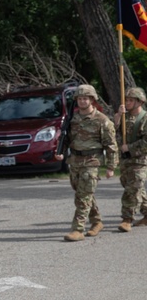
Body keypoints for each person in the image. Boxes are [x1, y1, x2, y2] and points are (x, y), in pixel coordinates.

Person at [55, 84, 117, 241]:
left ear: (92, 100)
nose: (82, 101)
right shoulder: (72, 119)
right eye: (80, 98)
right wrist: (60, 152)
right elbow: (67, 139)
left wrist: (111, 166)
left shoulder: (102, 120)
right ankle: (96, 222)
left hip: (92, 161)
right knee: (82, 194)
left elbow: (111, 145)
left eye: (85, 98)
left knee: (83, 196)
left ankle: (78, 229)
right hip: (75, 161)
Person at [114, 86, 147, 232]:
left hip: (140, 160)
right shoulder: (124, 116)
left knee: (132, 190)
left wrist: (130, 147)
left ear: (139, 102)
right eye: (126, 100)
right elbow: (113, 132)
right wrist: (118, 116)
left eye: (131, 100)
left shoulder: (145, 118)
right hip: (126, 161)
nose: (127, 102)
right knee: (134, 188)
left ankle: (127, 219)